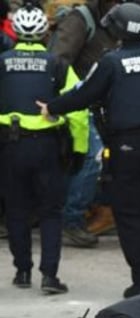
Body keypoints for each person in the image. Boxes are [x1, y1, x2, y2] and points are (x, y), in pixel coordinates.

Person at [41, 2, 140, 299]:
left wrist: (52, 108)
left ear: (118, 30)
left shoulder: (112, 63)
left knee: (132, 216)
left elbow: (85, 95)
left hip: (128, 149)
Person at [1, 3, 89, 294]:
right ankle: (49, 276)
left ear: (14, 31)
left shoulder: (2, 63)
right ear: (44, 33)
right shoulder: (58, 65)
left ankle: (22, 271)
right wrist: (79, 151)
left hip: (9, 146)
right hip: (48, 148)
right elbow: (79, 111)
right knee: (51, 212)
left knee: (16, 209)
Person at [49, 0, 120, 249]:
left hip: (98, 103)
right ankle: (73, 219)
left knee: (97, 160)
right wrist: (67, 100)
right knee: (92, 157)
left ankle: (91, 208)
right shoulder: (80, 20)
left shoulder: (112, 19)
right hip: (78, 104)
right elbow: (58, 62)